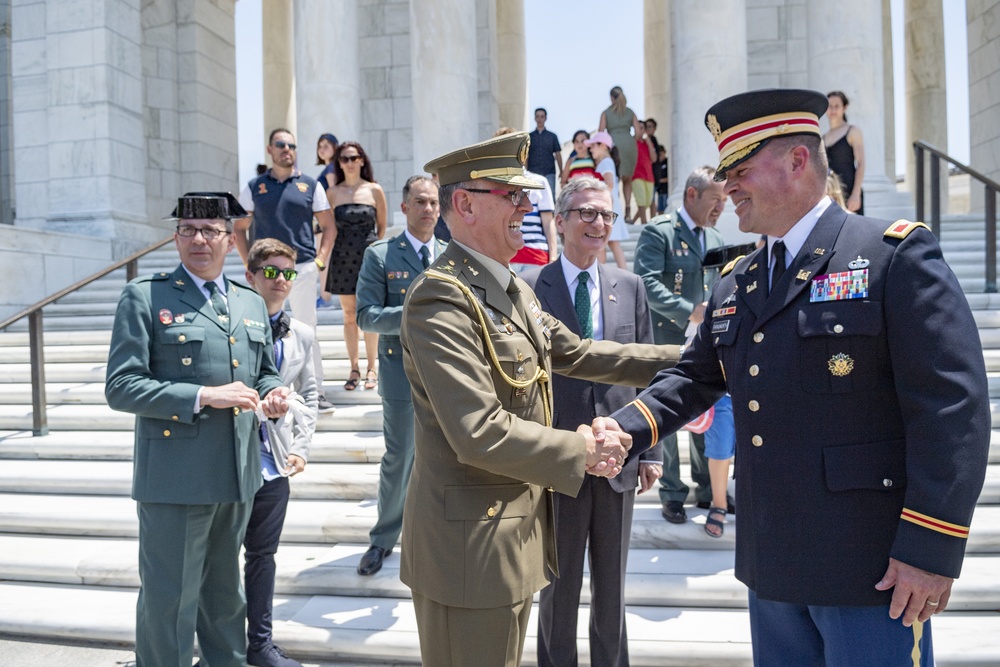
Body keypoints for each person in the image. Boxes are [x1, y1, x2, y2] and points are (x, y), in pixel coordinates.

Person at [612, 89, 990, 665]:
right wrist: (621, 431)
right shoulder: (737, 281)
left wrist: (931, 547)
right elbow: (692, 378)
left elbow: (952, 409)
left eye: (740, 170)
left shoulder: (891, 256)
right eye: (723, 174)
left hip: (874, 572)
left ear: (796, 161)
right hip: (773, 569)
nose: (727, 187)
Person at [401, 131, 678, 667]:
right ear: (465, 203)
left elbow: (582, 353)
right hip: (469, 551)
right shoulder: (441, 296)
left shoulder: (512, 289)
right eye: (513, 196)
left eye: (527, 197)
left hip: (509, 536)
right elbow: (478, 430)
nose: (527, 207)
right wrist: (584, 451)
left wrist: (695, 357)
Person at [106, 193, 289, 667]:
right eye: (187, 230)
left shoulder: (249, 301)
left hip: (238, 474)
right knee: (170, 602)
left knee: (226, 599)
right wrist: (203, 395)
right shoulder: (147, 295)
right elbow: (122, 386)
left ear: (231, 240)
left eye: (210, 230)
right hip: (176, 479)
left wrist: (273, 395)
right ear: (176, 238)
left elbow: (264, 370)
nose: (198, 239)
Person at [522, 176, 663, 667]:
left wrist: (650, 451)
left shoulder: (632, 287)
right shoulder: (529, 289)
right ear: (559, 222)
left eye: (606, 214)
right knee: (558, 587)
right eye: (586, 213)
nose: (598, 223)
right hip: (558, 461)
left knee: (612, 589)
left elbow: (646, 373)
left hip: (621, 461)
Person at [354, 175, 446, 577]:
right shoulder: (381, 256)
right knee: (400, 457)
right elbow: (365, 315)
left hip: (449, 375)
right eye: (419, 202)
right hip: (401, 374)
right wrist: (414, 315)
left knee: (447, 458)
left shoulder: (451, 254)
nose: (427, 209)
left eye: (434, 203)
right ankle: (383, 538)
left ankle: (437, 535)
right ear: (404, 207)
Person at [632, 165, 730, 524]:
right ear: (692, 195)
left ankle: (707, 489)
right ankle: (672, 493)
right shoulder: (660, 232)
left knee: (705, 410)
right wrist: (690, 311)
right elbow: (646, 281)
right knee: (671, 416)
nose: (722, 206)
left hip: (705, 344)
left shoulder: (716, 238)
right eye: (715, 199)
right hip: (668, 340)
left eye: (725, 199)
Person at [240, 239, 318, 667]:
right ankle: (221, 644)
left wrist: (301, 450)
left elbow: (311, 393)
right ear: (251, 275)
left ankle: (260, 645)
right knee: (216, 560)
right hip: (229, 460)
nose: (280, 281)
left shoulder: (302, 333)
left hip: (274, 464)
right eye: (271, 272)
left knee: (262, 558)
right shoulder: (228, 323)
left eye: (288, 273)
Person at [236, 128, 337, 414]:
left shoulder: (310, 184)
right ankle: (264, 387)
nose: (287, 149)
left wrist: (320, 260)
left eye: (291, 145)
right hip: (265, 271)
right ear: (270, 149)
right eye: (281, 144)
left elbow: (329, 226)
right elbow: (240, 227)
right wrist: (249, 263)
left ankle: (315, 392)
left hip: (302, 267)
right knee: (262, 328)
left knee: (307, 330)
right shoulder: (255, 186)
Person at [324, 141, 387, 391]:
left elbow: (381, 227)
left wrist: (375, 252)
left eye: (353, 157)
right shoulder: (332, 193)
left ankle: (372, 367)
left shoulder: (374, 190)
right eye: (344, 159)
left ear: (362, 160)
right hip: (342, 257)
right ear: (339, 163)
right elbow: (328, 228)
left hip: (368, 257)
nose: (349, 163)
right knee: (349, 316)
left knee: (369, 314)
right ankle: (354, 368)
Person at [493, 127, 557, 273]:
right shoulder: (492, 184)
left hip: (535, 256)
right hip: (503, 255)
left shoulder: (539, 181)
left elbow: (548, 222)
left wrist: (553, 258)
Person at [598, 86, 643, 221]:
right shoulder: (630, 112)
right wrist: (630, 140)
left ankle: (614, 209)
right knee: (627, 179)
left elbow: (600, 132)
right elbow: (639, 132)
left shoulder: (606, 112)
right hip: (629, 144)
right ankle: (628, 212)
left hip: (614, 146)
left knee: (614, 178)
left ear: (612, 97)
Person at [585, 131, 629, 269]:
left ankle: (601, 275)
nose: (590, 149)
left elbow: (609, 184)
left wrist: (599, 201)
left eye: (593, 145)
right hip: (611, 208)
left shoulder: (604, 163)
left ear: (603, 146)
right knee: (611, 244)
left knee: (602, 243)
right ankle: (624, 274)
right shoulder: (608, 162)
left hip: (608, 209)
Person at [824, 90, 865, 214]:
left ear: (844, 108)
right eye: (830, 106)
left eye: (837, 106)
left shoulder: (853, 131)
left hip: (850, 192)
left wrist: (856, 194)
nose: (833, 110)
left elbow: (861, 163)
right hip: (830, 196)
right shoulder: (823, 138)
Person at [315, 132, 339, 307]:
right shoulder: (329, 168)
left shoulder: (331, 169)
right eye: (319, 146)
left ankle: (325, 296)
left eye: (326, 146)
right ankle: (325, 295)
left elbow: (332, 195)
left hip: (327, 222)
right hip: (325, 221)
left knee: (324, 259)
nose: (321, 150)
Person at [527, 107, 562, 194]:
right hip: (533, 173)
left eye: (542, 116)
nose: (539, 119)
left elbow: (558, 154)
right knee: (532, 198)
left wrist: (561, 171)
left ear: (545, 118)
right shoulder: (529, 137)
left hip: (549, 172)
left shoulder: (552, 136)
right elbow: (526, 156)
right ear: (535, 118)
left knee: (550, 197)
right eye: (537, 116)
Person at [631, 124, 656, 224]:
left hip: (649, 176)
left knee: (647, 202)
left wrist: (649, 142)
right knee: (641, 201)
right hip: (636, 175)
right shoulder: (632, 142)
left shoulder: (647, 143)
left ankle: (633, 221)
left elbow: (654, 158)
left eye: (642, 128)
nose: (639, 130)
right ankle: (644, 223)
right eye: (638, 128)